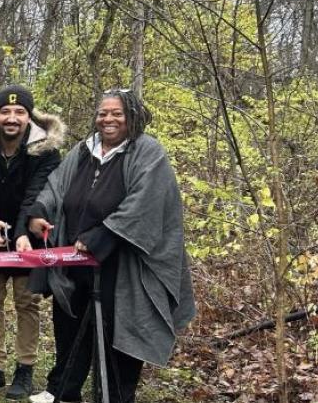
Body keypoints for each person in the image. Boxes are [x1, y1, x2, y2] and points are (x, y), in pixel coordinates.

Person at [22, 89, 195, 403]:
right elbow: (56, 186)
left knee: (117, 335)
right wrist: (39, 212)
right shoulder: (83, 150)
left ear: (132, 116)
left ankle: (113, 396)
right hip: (75, 263)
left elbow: (145, 202)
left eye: (117, 113)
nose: (108, 119)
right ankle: (64, 390)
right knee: (70, 325)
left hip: (122, 267)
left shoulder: (147, 151)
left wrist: (104, 234)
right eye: (103, 113)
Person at [0, 85, 63, 399]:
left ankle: (25, 369)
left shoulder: (45, 150)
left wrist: (22, 231)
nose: (12, 118)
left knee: (27, 304)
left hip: (29, 239)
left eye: (19, 112)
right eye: (5, 112)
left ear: (29, 116)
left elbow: (36, 194)